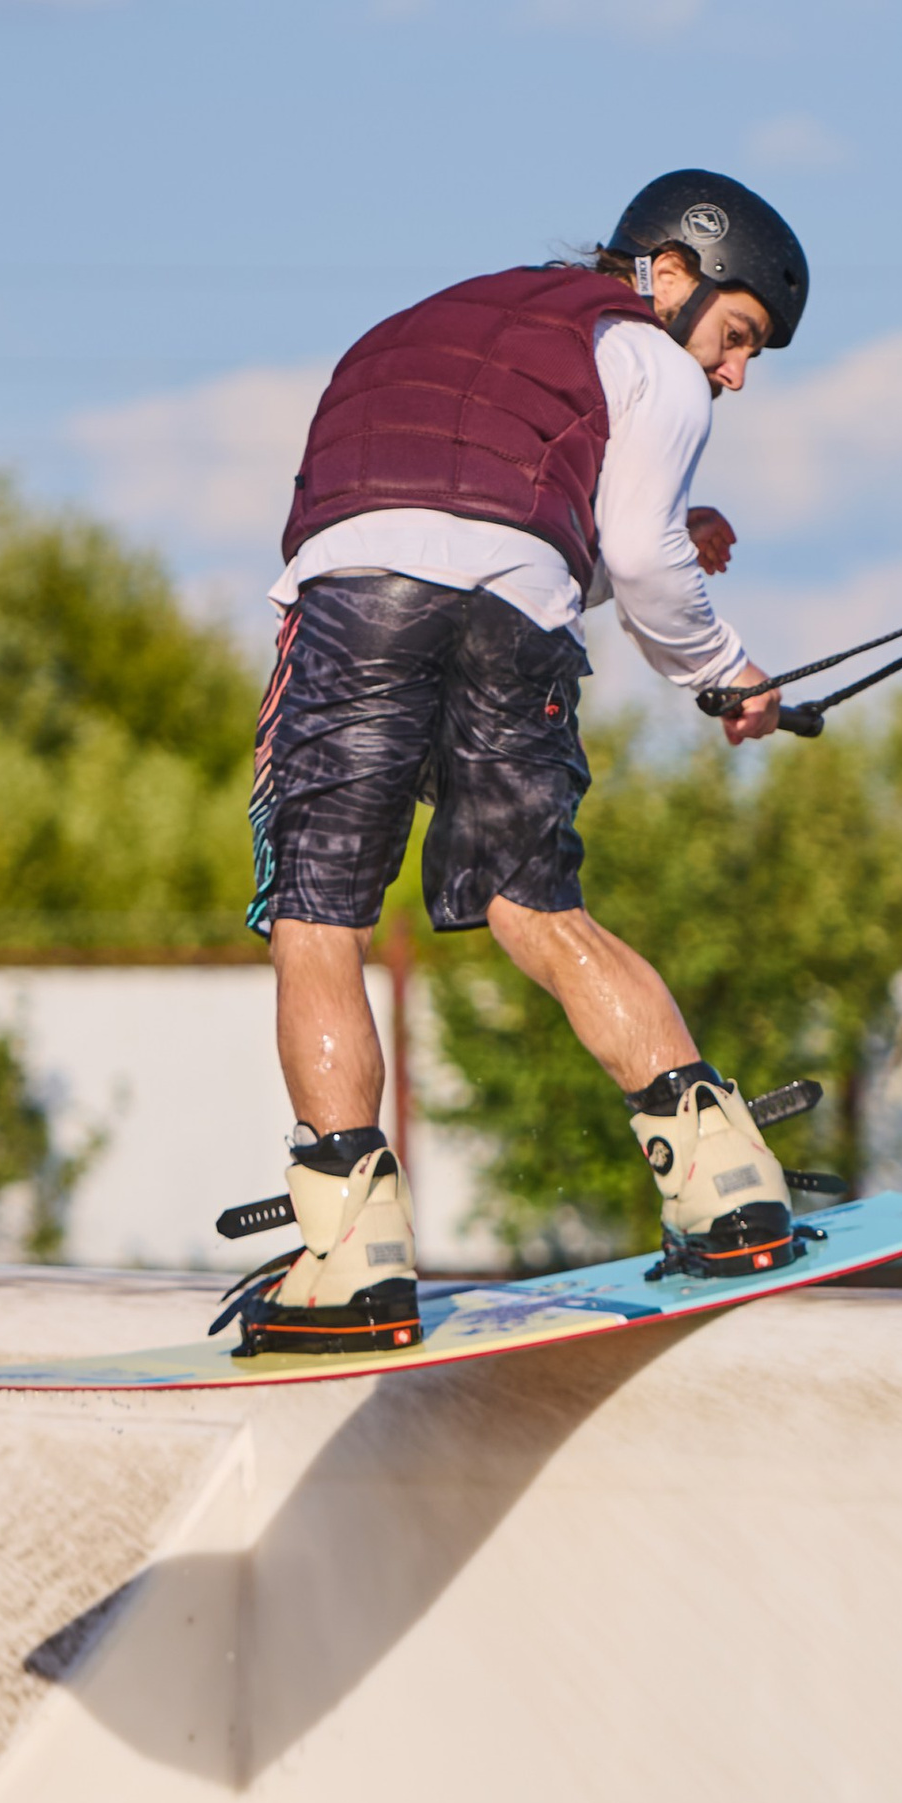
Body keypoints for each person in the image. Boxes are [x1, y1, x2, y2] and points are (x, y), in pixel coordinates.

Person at [228, 169, 811, 1353]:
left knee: (321, 915)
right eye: (739, 337)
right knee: (532, 901)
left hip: (356, 594)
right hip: (514, 614)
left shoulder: (417, 325)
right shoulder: (650, 355)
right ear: (668, 272)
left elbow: (451, 514)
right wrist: (730, 674)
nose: (734, 374)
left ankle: (350, 1252)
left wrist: (618, 562)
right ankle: (726, 1186)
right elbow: (629, 561)